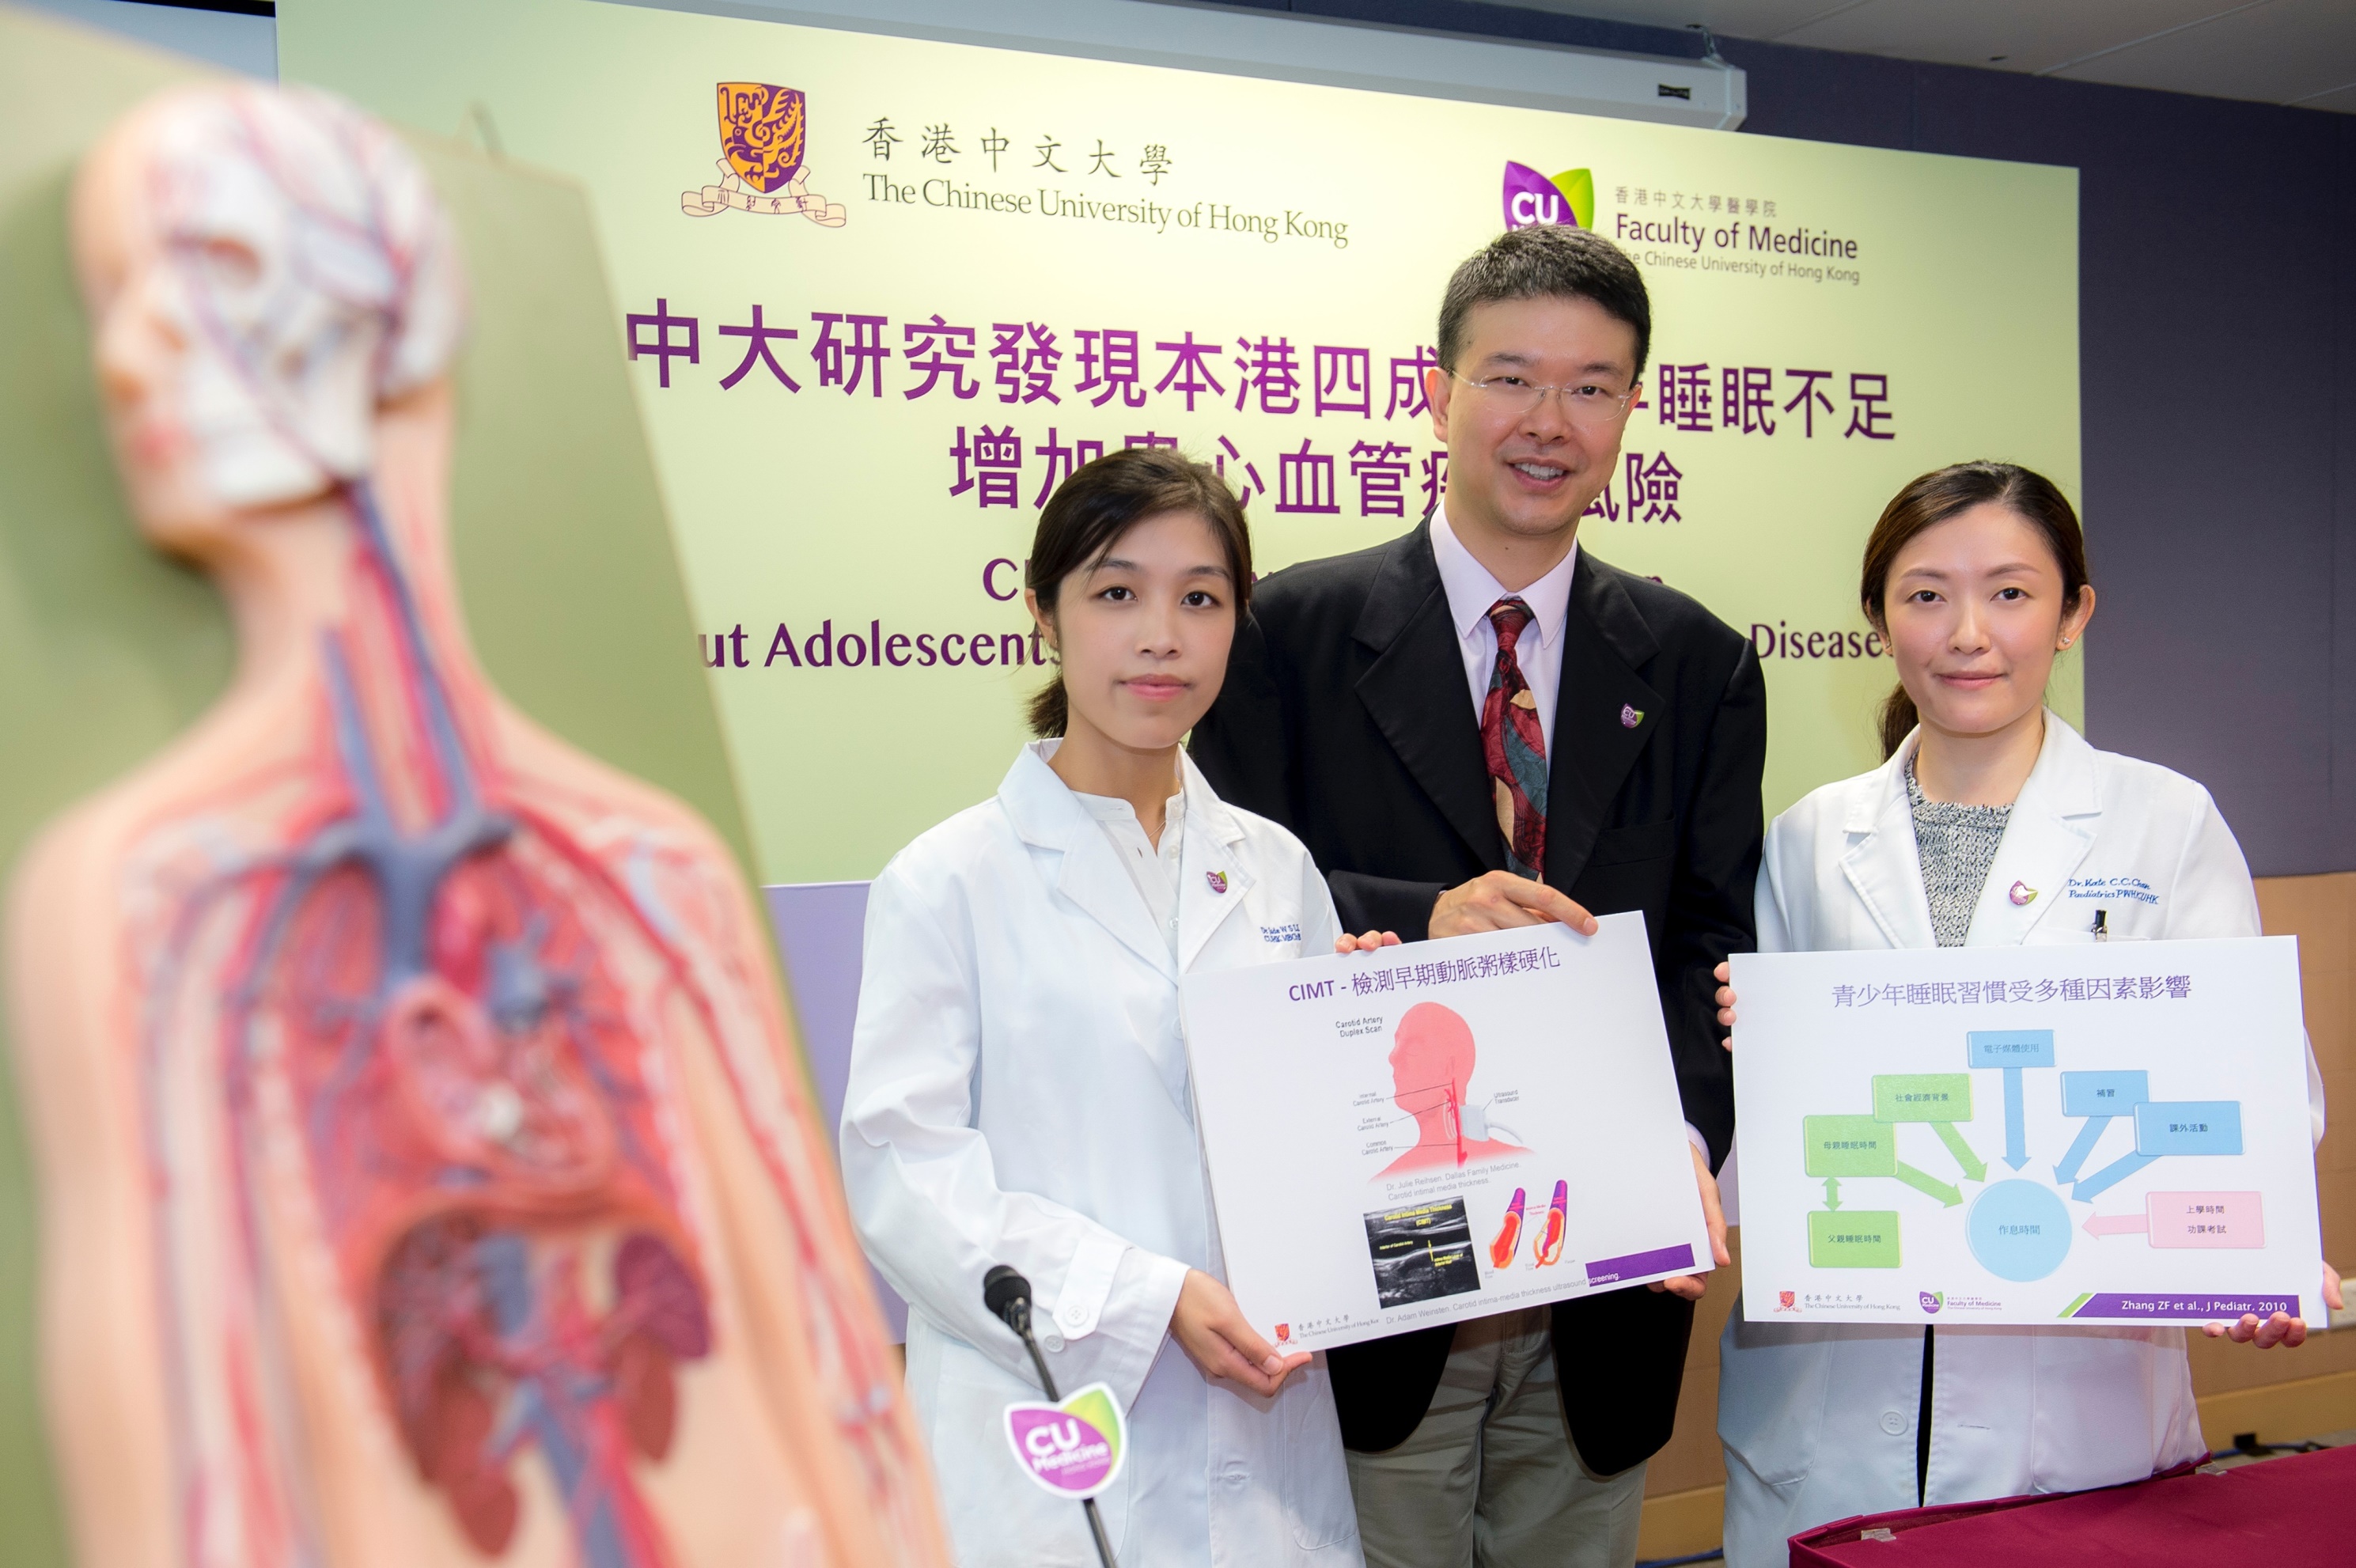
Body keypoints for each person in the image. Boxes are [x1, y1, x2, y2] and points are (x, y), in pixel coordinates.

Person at [5, 83, 945, 1567]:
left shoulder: (642, 872)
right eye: (118, 301)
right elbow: (208, 1460)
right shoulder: (168, 895)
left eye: (217, 276)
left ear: (397, 326)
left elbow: (829, 1370)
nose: (130, 356)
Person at [1191, 223, 1762, 1568]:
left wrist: (1673, 1142)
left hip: (1601, 1277)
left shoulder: (1695, 663)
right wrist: (1422, 908)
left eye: (1589, 385)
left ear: (1632, 407)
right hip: (1374, 1260)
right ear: (1435, 390)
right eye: (1509, 377)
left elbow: (1708, 938)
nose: (1545, 422)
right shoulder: (1286, 633)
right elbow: (1225, 907)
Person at [1710, 460, 2345, 1566]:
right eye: (1923, 594)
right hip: (1831, 1393)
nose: (1967, 633)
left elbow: (2257, 1089)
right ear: (1876, 618)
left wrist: (2252, 1248)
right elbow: (1767, 1131)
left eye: (2009, 592)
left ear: (2071, 615)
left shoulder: (2163, 820)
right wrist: (1753, 1054)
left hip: (2073, 1414)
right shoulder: (1810, 835)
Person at [841, 449, 1385, 1566]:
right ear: (1043, 611)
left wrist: (1366, 1038)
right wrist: (1144, 1296)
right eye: (1115, 591)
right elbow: (905, 1175)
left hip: (1266, 1417)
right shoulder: (946, 879)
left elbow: (1315, 1144)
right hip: (1047, 1426)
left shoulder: (1276, 867)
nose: (1160, 635)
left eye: (1200, 597)